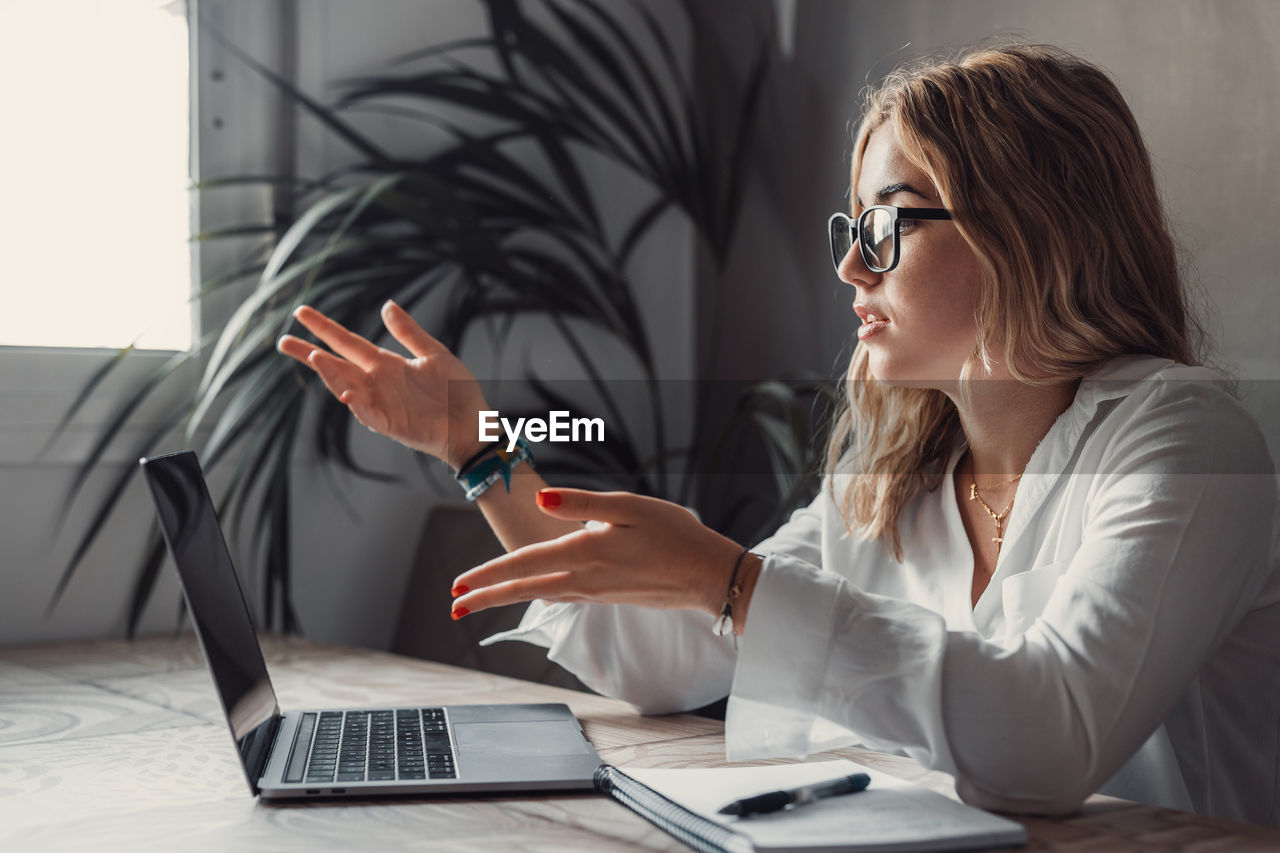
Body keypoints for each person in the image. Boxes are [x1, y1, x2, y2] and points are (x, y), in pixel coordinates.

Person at [277, 43, 1280, 825]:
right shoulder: (896, 478)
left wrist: (730, 580)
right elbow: (663, 660)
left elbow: (1049, 737)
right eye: (850, 230)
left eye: (887, 222)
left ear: (1028, 229)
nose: (852, 268)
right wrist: (475, 446)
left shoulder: (1182, 442)